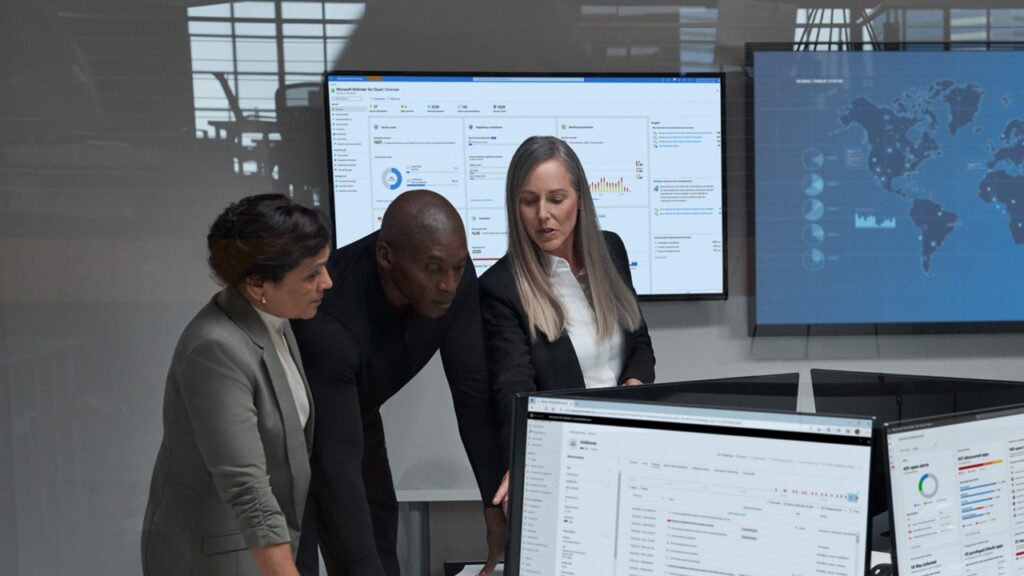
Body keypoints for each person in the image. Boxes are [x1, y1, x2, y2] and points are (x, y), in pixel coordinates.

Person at [292, 189, 505, 576]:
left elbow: (472, 394)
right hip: (294, 433)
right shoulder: (330, 320)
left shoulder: (454, 277)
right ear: (386, 256)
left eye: (458, 267)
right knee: (301, 558)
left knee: (379, 537)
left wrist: (493, 510)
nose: (449, 284)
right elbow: (337, 467)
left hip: (358, 409)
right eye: (435, 268)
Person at [142, 193, 333, 576]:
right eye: (311, 274)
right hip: (217, 556)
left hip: (257, 548)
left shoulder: (273, 320)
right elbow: (246, 486)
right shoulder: (217, 348)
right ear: (257, 283)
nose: (327, 282)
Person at [480, 135, 656, 510]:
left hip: (631, 448)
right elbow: (513, 386)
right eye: (529, 201)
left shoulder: (611, 251)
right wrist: (521, 460)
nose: (543, 214)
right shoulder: (501, 287)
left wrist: (633, 388)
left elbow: (639, 342)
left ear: (580, 200)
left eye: (556, 199)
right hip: (567, 461)